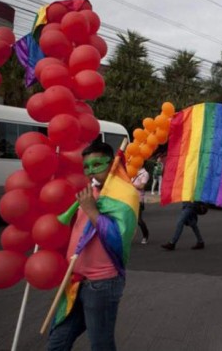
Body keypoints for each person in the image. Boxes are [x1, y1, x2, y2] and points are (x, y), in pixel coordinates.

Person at [47, 141, 138, 351]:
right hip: (75, 282)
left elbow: (118, 238)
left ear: (112, 163)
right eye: (86, 167)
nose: (91, 172)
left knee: (101, 344)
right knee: (57, 342)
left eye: (97, 165)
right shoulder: (91, 192)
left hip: (102, 284)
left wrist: (92, 211)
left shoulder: (126, 195)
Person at [132, 167, 150, 244]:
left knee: (138, 220)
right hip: (129, 198)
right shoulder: (132, 171)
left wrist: (131, 185)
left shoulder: (145, 173)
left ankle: (145, 235)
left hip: (138, 199)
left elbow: (142, 186)